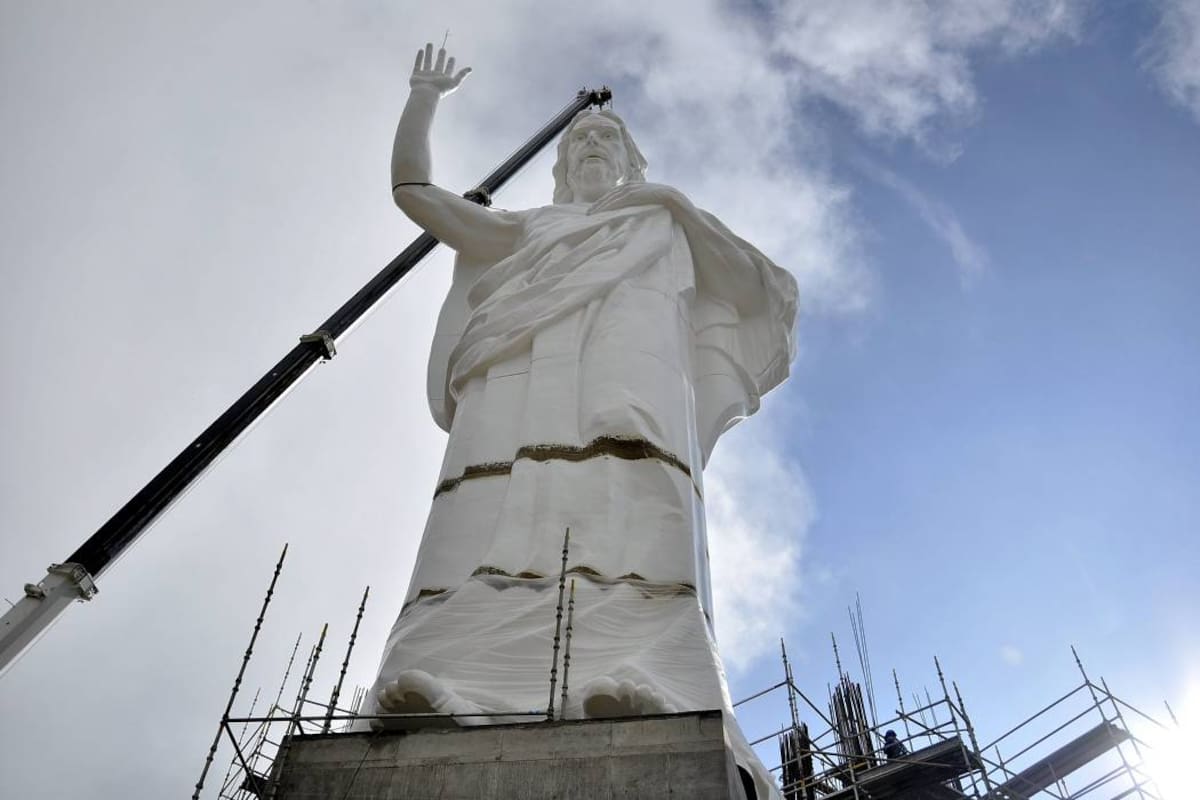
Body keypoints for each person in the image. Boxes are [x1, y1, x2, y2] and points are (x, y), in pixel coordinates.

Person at [358, 43, 798, 799]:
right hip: (518, 378)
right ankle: (452, 680)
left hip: (632, 384)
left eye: (605, 139)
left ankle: (652, 678)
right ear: (562, 167)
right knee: (482, 516)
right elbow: (417, 195)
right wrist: (423, 98)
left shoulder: (661, 217)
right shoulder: (532, 227)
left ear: (630, 161)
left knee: (637, 511)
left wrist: (678, 211)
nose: (592, 145)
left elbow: (761, 288)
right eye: (581, 140)